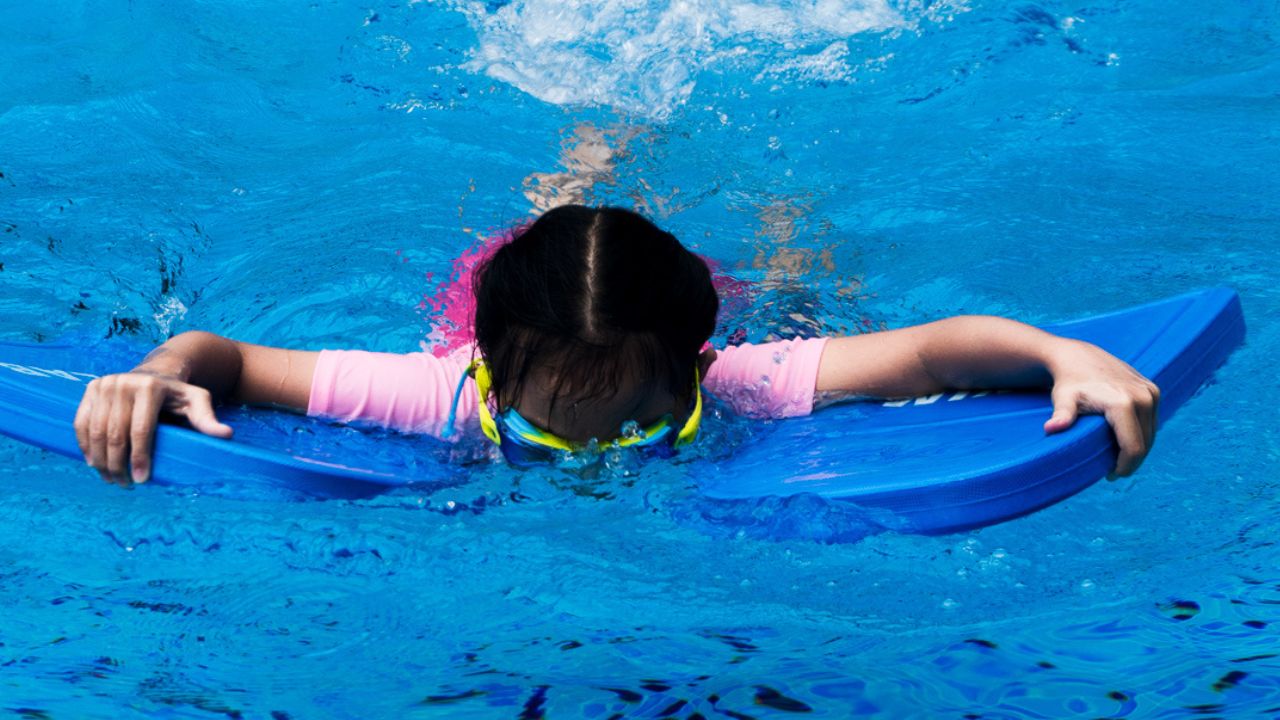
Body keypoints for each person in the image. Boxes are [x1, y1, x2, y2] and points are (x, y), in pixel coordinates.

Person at [74, 205, 1160, 486]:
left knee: (806, 277)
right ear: (492, 385)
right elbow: (221, 353)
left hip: (674, 304)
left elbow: (929, 353)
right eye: (550, 433)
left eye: (647, 429)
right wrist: (158, 374)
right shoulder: (438, 391)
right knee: (547, 238)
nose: (599, 467)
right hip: (516, 301)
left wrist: (1058, 353)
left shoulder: (742, 376)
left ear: (696, 375)